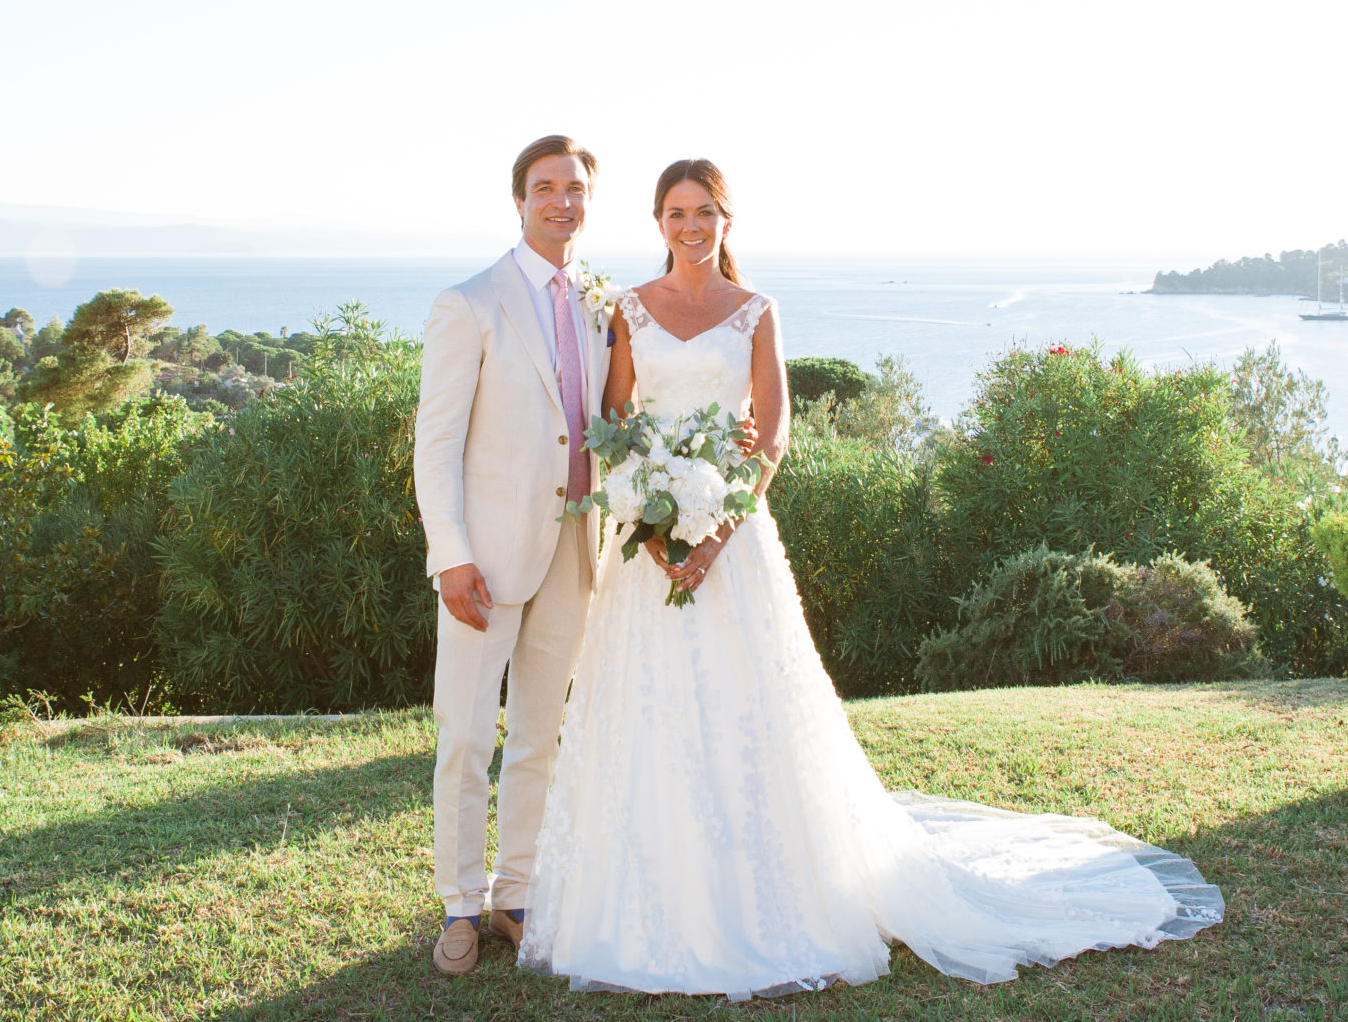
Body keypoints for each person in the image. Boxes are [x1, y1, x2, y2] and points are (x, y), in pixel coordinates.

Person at [517, 158, 1224, 1000]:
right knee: (646, 710)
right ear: (658, 220)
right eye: (676, 212)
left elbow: (771, 437)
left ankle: (771, 900)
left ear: (727, 220)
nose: (690, 226)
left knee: (749, 712)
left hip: (734, 545)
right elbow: (622, 420)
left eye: (705, 211)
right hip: (648, 547)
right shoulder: (629, 310)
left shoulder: (756, 312)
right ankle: (640, 906)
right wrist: (655, 522)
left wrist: (712, 539)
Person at [413, 134, 612, 976]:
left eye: (574, 188)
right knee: (464, 734)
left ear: (588, 201)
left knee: (540, 732)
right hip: (484, 562)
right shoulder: (469, 304)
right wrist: (450, 555)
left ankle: (514, 894)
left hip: (576, 548)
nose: (561, 201)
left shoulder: (604, 307)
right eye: (545, 188)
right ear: (519, 200)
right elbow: (437, 445)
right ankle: (459, 903)